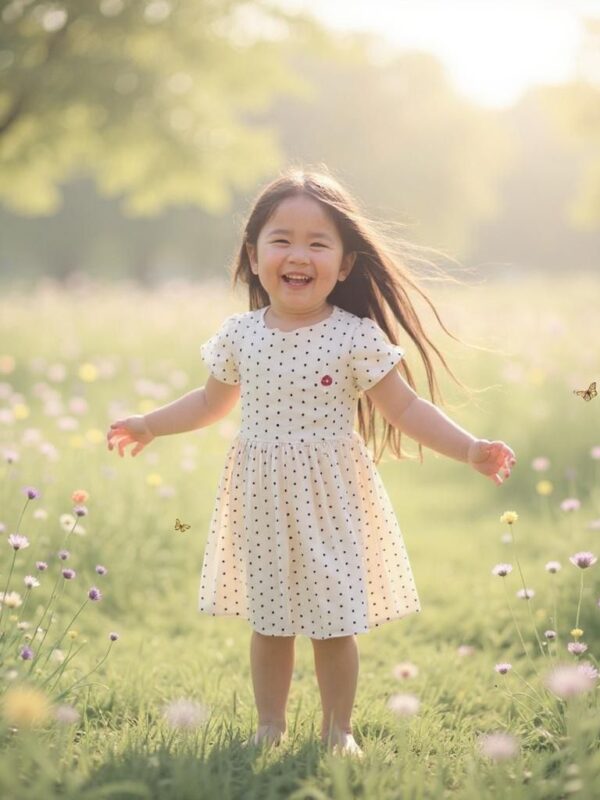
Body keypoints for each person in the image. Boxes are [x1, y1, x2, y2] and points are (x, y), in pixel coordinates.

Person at [106, 168, 516, 759]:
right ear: (253, 256)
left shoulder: (355, 338)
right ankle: (270, 724)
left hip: (332, 498)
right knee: (270, 620)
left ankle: (337, 730)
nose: (298, 255)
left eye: (318, 243)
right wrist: (149, 424)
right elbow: (208, 402)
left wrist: (470, 448)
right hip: (262, 497)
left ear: (345, 264)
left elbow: (405, 408)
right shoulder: (239, 335)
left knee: (332, 621)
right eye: (282, 240)